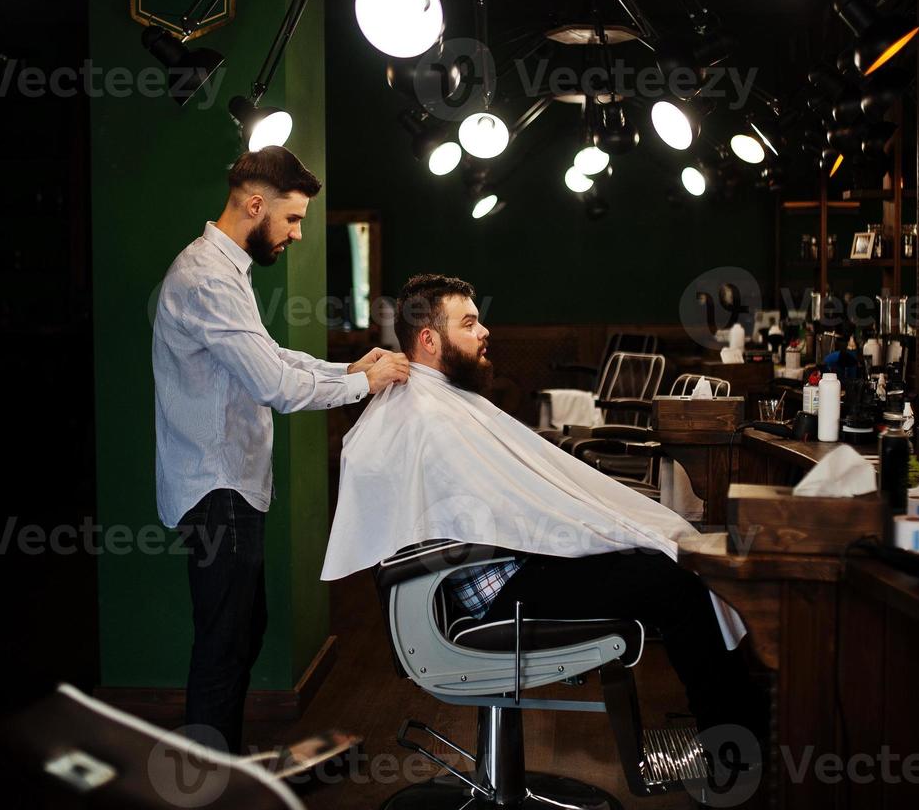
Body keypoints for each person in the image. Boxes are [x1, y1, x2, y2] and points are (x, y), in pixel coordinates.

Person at [323, 273, 769, 742]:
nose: (485, 332)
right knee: (674, 580)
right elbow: (506, 508)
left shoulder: (433, 401)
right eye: (470, 323)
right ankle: (739, 748)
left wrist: (598, 524)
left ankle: (736, 735)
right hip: (494, 591)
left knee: (660, 560)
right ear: (430, 339)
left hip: (500, 567)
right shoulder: (427, 414)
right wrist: (596, 526)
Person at [152, 146, 409, 752]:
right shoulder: (206, 279)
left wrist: (347, 366)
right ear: (257, 203)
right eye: (292, 219)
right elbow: (275, 387)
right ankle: (212, 788)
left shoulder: (224, 271)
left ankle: (223, 766)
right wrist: (360, 385)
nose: (296, 233)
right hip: (216, 486)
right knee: (224, 641)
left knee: (240, 632)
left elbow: (271, 361)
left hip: (230, 483)